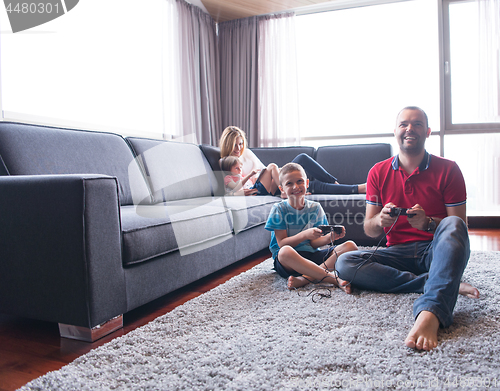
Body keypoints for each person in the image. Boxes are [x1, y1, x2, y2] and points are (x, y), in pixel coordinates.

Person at [335, 106, 480, 352]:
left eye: (417, 124)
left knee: (452, 224)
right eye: (403, 124)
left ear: (428, 132)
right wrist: (380, 220)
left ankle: (430, 312)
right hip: (397, 253)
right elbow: (370, 231)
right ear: (395, 131)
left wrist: (428, 223)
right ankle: (434, 282)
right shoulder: (377, 172)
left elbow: (459, 227)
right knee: (345, 263)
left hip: (435, 251)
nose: (409, 129)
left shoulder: (449, 169)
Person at [265, 162, 358, 291]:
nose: (295, 186)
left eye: (299, 181)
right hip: (289, 261)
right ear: (282, 189)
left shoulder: (315, 208)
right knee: (285, 252)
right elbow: (281, 243)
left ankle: (306, 278)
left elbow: (314, 244)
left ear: (307, 183)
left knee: (350, 246)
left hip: (311, 255)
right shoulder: (279, 209)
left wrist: (329, 238)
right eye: (289, 183)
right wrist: (305, 234)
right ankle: (332, 278)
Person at [219, 126, 366, 196]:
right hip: (268, 187)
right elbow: (231, 188)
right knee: (280, 166)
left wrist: (279, 172)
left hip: (272, 180)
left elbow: (263, 169)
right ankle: (285, 192)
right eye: (235, 145)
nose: (239, 148)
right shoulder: (226, 162)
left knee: (313, 182)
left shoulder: (247, 153)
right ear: (228, 144)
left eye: (241, 144)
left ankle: (354, 188)